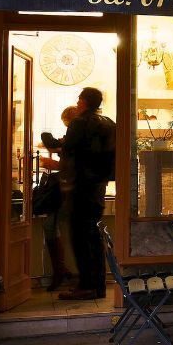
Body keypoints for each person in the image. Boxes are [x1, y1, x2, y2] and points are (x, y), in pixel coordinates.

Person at [58, 87, 115, 300]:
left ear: (82, 102)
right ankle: (98, 285)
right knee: (93, 236)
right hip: (98, 187)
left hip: (80, 187)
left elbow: (68, 152)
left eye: (79, 99)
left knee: (80, 237)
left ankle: (86, 285)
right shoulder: (109, 123)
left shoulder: (79, 123)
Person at [38, 106, 78, 291]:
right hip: (69, 191)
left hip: (69, 191)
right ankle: (62, 270)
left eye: (67, 124)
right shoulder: (76, 136)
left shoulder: (78, 136)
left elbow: (75, 165)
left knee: (52, 227)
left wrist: (55, 163)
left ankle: (61, 272)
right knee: (53, 227)